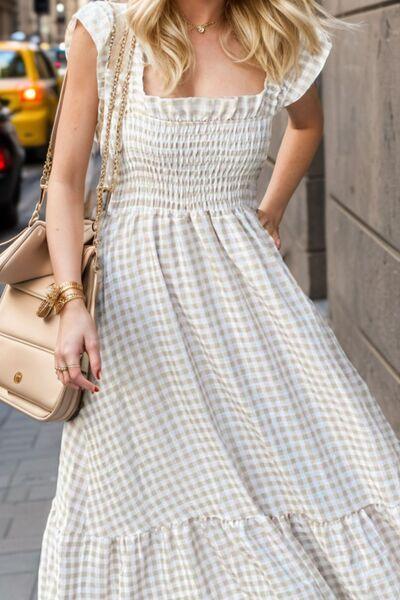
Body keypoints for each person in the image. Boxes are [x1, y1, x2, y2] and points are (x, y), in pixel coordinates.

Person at [38, 0, 400, 597]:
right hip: (135, 306)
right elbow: (66, 180)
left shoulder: (279, 33)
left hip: (246, 294)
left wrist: (271, 208)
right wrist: (71, 302)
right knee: (146, 490)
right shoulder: (106, 26)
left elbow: (307, 125)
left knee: (322, 455)